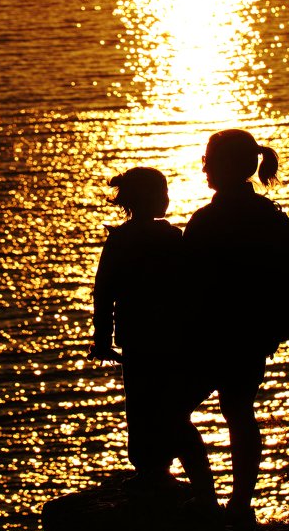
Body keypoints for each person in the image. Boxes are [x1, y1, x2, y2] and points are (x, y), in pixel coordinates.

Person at [183, 129, 289, 529]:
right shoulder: (270, 217)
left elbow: (188, 282)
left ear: (225, 166)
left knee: (170, 411)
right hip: (254, 335)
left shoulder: (207, 221)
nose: (204, 167)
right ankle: (239, 505)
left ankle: (205, 498)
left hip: (213, 336)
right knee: (239, 411)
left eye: (208, 160)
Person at [88, 166, 217, 510]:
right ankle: (182, 480)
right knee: (167, 410)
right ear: (149, 199)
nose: (166, 198)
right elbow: (192, 287)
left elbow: (104, 293)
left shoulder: (120, 240)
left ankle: (152, 471)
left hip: (139, 340)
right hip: (172, 340)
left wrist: (102, 338)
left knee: (143, 407)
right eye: (162, 192)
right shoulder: (172, 238)